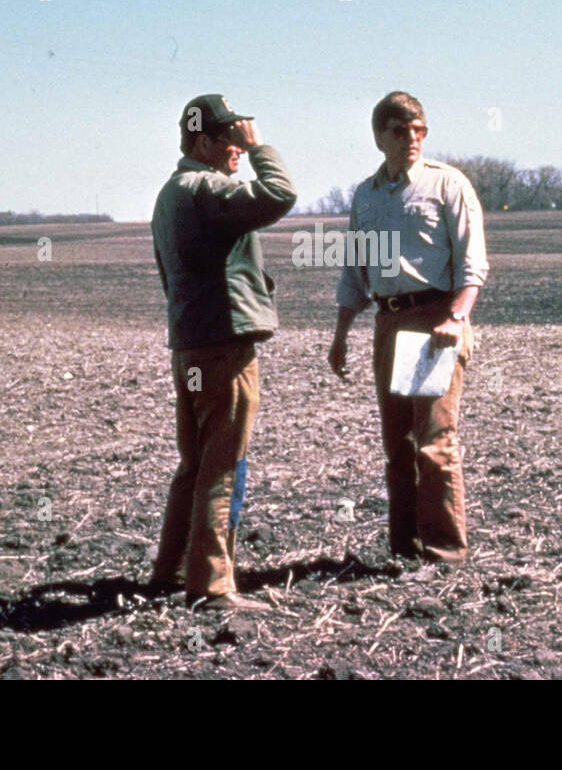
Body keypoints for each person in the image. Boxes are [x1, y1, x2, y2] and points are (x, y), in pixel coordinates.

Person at [149, 94, 296, 611]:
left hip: (188, 346)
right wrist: (261, 149)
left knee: (193, 464)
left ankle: (170, 570)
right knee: (220, 464)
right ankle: (212, 585)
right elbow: (280, 194)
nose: (237, 144)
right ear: (203, 142)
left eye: (241, 135)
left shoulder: (170, 193)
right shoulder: (207, 188)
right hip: (222, 348)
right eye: (229, 137)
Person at [328, 91, 489, 563]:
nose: (413, 139)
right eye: (401, 131)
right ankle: (405, 547)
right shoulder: (367, 195)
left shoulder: (447, 185)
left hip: (435, 319)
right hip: (389, 321)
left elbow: (473, 265)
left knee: (434, 442)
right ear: (380, 137)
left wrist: (456, 319)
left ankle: (444, 553)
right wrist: (341, 334)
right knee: (397, 446)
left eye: (420, 130)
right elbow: (354, 272)